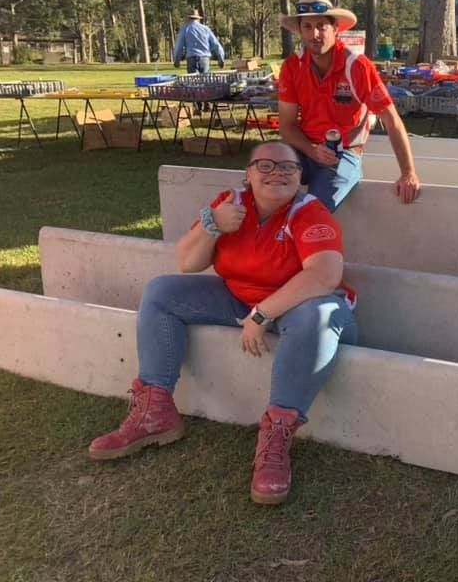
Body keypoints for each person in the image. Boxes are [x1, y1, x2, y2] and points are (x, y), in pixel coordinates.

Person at [88, 141, 357, 505]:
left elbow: (324, 276)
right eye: (265, 165)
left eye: (288, 167)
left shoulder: (310, 212)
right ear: (248, 174)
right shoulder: (230, 203)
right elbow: (188, 263)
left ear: (300, 176)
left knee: (317, 315)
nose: (276, 173)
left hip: (307, 308)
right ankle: (154, 412)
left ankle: (277, 435)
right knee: (161, 292)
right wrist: (212, 225)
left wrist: (261, 314)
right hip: (242, 299)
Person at [278, 0, 421, 212]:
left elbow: (391, 120)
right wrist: (312, 149)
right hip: (305, 150)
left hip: (344, 153)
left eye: (321, 26)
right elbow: (286, 126)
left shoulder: (357, 66)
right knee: (262, 182)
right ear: (300, 31)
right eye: (307, 27)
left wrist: (408, 173)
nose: (314, 34)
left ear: (335, 28)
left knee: (312, 209)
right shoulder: (292, 66)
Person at [172, 8, 225, 74]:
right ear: (198, 19)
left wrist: (177, 60)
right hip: (205, 59)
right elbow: (216, 44)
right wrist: (221, 59)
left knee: (193, 80)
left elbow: (179, 46)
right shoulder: (205, 29)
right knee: (205, 79)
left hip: (192, 60)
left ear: (188, 18)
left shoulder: (185, 29)